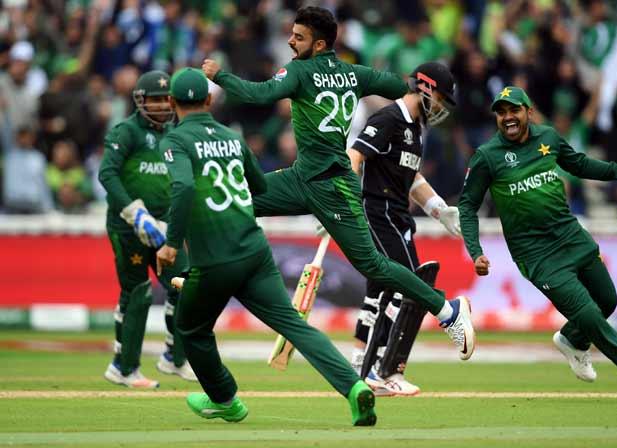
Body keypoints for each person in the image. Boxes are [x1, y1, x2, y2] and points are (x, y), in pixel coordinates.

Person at [202, 6, 475, 358]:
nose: (290, 40)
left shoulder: (299, 71)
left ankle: (447, 310)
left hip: (333, 187)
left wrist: (220, 75)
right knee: (233, 201)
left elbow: (259, 95)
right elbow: (396, 84)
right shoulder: (352, 72)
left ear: (318, 45)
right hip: (304, 178)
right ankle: (202, 275)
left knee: (374, 266)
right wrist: (417, 83)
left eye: (298, 37)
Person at [155, 67, 376, 426]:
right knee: (294, 325)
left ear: (170, 102)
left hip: (216, 257)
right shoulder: (231, 136)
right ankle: (354, 387)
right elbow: (256, 185)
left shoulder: (175, 141)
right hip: (255, 250)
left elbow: (182, 188)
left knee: (192, 329)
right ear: (210, 101)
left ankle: (225, 399)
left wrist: (170, 244)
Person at [458, 86, 617, 405]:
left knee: (606, 300)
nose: (507, 117)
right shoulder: (487, 156)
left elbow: (580, 165)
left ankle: (570, 340)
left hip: (572, 236)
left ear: (529, 111)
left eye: (513, 110)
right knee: (589, 314)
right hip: (538, 256)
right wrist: (475, 251)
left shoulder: (549, 139)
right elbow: (467, 206)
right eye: (501, 112)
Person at [347, 61, 462, 396]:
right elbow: (354, 157)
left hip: (397, 213)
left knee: (379, 291)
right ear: (425, 88)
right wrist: (346, 203)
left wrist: (437, 207)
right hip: (377, 209)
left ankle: (361, 364)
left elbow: (412, 178)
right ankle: (382, 370)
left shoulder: (416, 127)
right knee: (407, 285)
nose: (440, 106)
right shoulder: (389, 118)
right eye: (440, 97)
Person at [99, 70, 195, 388]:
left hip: (164, 225)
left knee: (185, 285)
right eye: (154, 99)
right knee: (137, 294)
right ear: (140, 100)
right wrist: (134, 212)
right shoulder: (125, 132)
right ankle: (124, 368)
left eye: (165, 99)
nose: (161, 105)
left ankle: (174, 358)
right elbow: (107, 176)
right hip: (127, 226)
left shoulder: (174, 132)